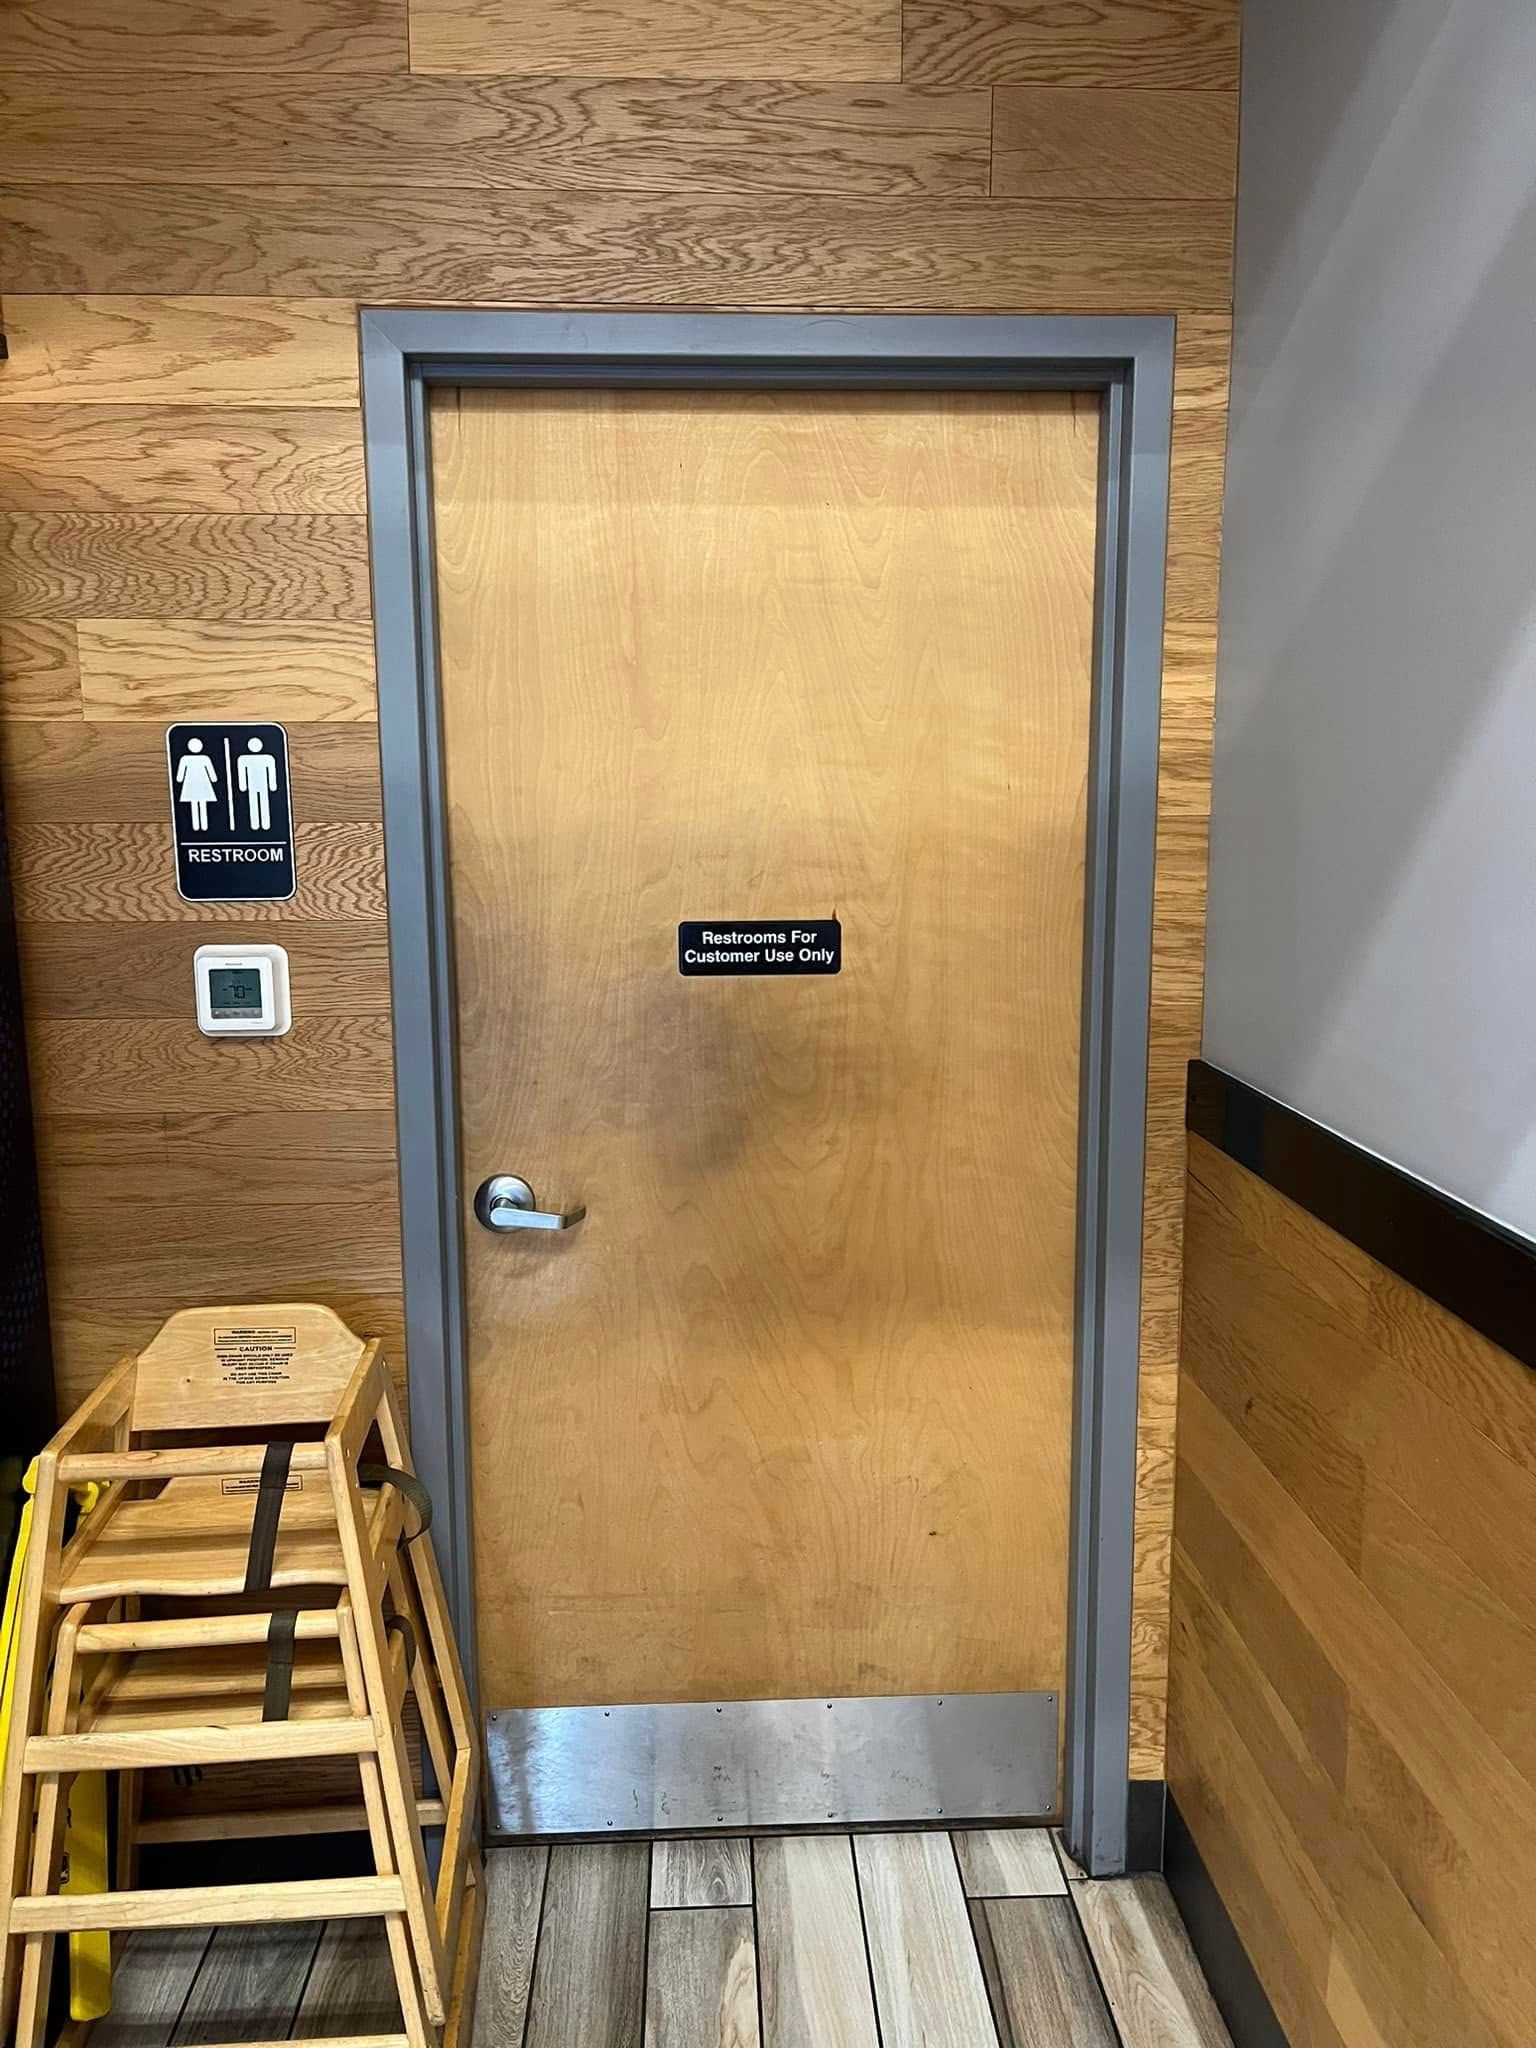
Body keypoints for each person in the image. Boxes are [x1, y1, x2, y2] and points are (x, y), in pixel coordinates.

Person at [174, 737, 218, 832]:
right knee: (202, 805)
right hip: (203, 786)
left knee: (194, 805)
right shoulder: (205, 759)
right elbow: (213, 776)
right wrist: (213, 779)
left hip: (190, 786)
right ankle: (203, 826)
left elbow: (179, 777)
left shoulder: (185, 759)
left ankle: (197, 827)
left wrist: (180, 779)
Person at [238, 737, 278, 832]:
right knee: (254, 803)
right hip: (252, 785)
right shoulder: (244, 759)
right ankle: (255, 824)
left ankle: (265, 824)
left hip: (262, 785)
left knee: (262, 802)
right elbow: (242, 773)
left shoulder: (268, 758)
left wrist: (272, 785)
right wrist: (243, 785)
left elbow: (271, 772)